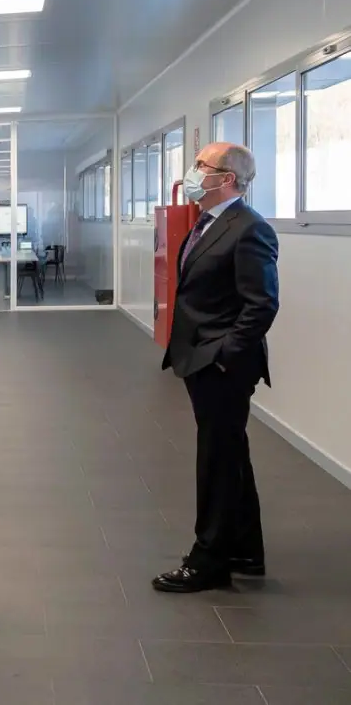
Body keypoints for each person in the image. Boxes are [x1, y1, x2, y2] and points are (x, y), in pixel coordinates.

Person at [154, 141, 279, 593]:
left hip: (222, 364)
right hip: (202, 357)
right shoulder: (207, 222)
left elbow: (261, 304)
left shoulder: (249, 229)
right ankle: (245, 549)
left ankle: (208, 561)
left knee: (216, 460)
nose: (192, 172)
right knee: (231, 454)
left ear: (226, 179)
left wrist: (225, 356)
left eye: (200, 165)